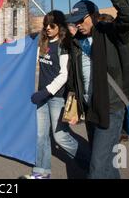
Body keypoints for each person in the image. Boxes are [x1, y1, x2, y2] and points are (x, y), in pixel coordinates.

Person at [66, 0, 129, 179]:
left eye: (81, 20)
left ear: (94, 15)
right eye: (74, 21)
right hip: (90, 109)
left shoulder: (111, 32)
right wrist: (73, 109)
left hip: (111, 108)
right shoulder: (76, 42)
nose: (78, 25)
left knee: (97, 168)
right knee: (106, 164)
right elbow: (75, 79)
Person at [22, 10, 88, 179]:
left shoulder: (64, 45)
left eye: (52, 25)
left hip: (57, 97)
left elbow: (64, 75)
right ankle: (42, 171)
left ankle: (93, 164)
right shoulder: (42, 43)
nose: (48, 28)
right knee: (41, 135)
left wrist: (46, 91)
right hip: (42, 97)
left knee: (60, 137)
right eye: (46, 25)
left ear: (60, 26)